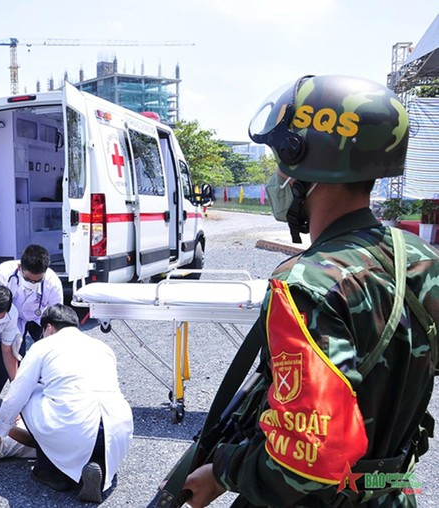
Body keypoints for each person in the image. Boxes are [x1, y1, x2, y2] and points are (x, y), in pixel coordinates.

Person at [180, 75, 439, 507]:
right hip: (392, 495)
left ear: (308, 167)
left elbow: (306, 461)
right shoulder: (420, 258)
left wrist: (224, 470)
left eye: (280, 162)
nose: (276, 176)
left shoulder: (305, 286)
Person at [0, 304, 134, 503]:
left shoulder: (43, 346)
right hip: (118, 426)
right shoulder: (102, 347)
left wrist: (0, 433)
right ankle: (100, 467)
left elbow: (16, 394)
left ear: (48, 328)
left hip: (75, 426)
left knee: (30, 392)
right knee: (90, 411)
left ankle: (52, 471)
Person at [0, 244, 64, 342]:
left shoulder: (53, 283)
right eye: (27, 279)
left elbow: (55, 316)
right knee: (15, 351)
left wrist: (50, 337)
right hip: (13, 318)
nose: (32, 283)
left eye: (38, 281)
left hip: (39, 318)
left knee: (49, 347)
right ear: (19, 267)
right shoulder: (3, 273)